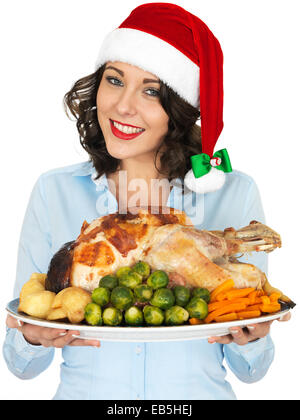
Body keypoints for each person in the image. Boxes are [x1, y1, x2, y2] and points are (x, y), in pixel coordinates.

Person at [3, 3, 290, 400]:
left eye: (151, 90)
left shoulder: (234, 192)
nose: (123, 106)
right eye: (115, 80)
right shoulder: (54, 191)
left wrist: (253, 336)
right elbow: (21, 365)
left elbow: (252, 371)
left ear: (179, 107)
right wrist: (32, 338)